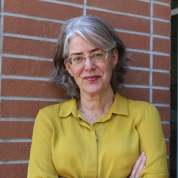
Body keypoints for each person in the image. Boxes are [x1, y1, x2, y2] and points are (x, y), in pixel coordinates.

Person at [27, 15, 168, 178]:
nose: (89, 66)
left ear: (114, 58)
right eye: (78, 58)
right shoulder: (48, 120)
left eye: (98, 54)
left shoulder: (144, 115)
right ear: (69, 67)